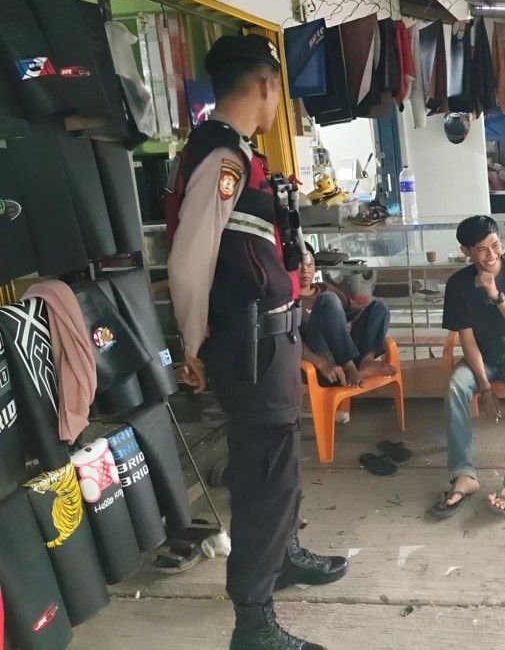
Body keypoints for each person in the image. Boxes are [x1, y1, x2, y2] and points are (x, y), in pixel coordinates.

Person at [167, 34, 346, 650]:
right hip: (250, 347)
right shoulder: (222, 158)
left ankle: (284, 553)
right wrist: (191, 344)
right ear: (267, 84)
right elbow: (189, 260)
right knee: (263, 478)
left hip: (271, 339)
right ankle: (254, 623)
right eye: (279, 92)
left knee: (279, 465)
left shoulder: (239, 153)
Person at [428, 215, 505, 518]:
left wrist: (495, 296)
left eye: (495, 245)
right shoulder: (458, 284)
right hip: (482, 358)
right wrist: (485, 387)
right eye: (482, 249)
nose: (492, 255)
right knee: (456, 385)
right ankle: (463, 474)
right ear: (466, 251)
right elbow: (467, 340)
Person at [298, 244, 395, 420]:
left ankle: (366, 362)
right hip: (321, 361)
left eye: (310, 264)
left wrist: (342, 327)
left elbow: (358, 314)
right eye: (299, 265)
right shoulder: (287, 300)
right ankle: (350, 366)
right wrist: (322, 364)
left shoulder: (325, 287)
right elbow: (292, 342)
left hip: (346, 350)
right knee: (328, 300)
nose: (305, 270)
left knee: (379, 308)